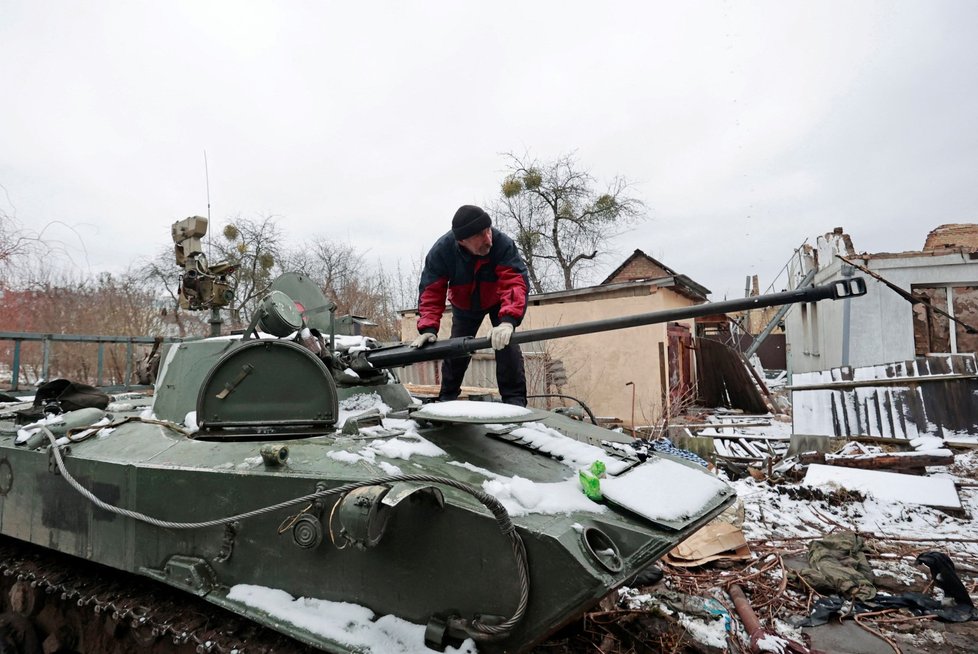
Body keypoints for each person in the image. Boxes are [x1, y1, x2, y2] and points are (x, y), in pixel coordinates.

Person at [412, 205, 530, 406]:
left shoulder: (502, 244)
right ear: (462, 241)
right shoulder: (442, 251)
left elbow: (514, 282)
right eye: (479, 235)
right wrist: (428, 328)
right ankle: (447, 399)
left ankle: (515, 402)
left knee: (506, 344)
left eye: (488, 230)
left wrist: (508, 321)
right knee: (456, 349)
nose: (488, 239)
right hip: (464, 305)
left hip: (498, 301)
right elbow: (431, 291)